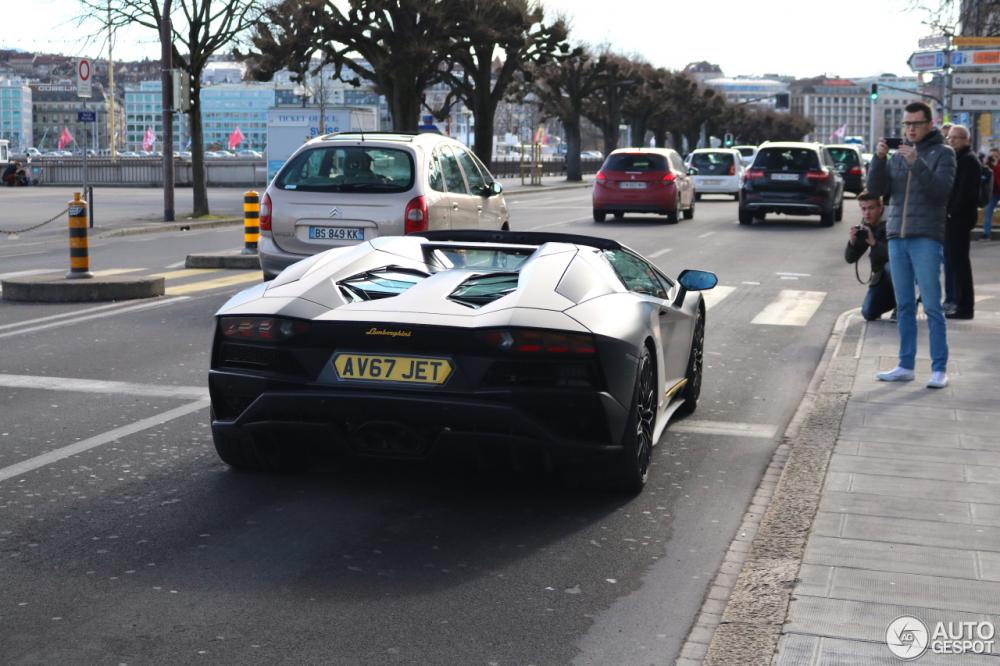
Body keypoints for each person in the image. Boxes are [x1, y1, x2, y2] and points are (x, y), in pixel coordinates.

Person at [866, 101, 956, 389]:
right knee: (904, 305)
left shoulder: (944, 153)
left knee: (931, 305)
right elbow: (877, 191)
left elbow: (940, 192)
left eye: (916, 124)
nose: (910, 129)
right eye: (906, 124)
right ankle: (905, 365)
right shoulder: (896, 156)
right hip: (896, 235)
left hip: (926, 236)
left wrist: (916, 162)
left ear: (929, 124)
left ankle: (939, 368)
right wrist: (879, 160)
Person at [943, 125, 978, 319]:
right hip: (953, 218)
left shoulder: (968, 160)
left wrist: (950, 212)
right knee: (953, 262)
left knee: (960, 263)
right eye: (950, 138)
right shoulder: (957, 159)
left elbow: (964, 193)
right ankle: (957, 302)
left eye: (956, 138)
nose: (952, 141)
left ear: (966, 140)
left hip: (959, 219)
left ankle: (965, 307)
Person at [845, 191, 895, 321]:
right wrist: (852, 242)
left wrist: (873, 242)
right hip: (880, 278)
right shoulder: (866, 226)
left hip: (900, 274)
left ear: (881, 208)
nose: (867, 213)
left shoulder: (893, 223)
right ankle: (894, 302)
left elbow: (896, 255)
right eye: (863, 209)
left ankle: (904, 305)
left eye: (871, 208)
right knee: (868, 313)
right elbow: (850, 259)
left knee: (891, 267)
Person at [981, 147, 1000, 240]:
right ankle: (986, 234)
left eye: (996, 156)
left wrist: (996, 166)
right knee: (988, 211)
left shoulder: (998, 165)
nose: (993, 158)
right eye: (991, 156)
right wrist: (985, 163)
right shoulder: (987, 165)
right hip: (993, 193)